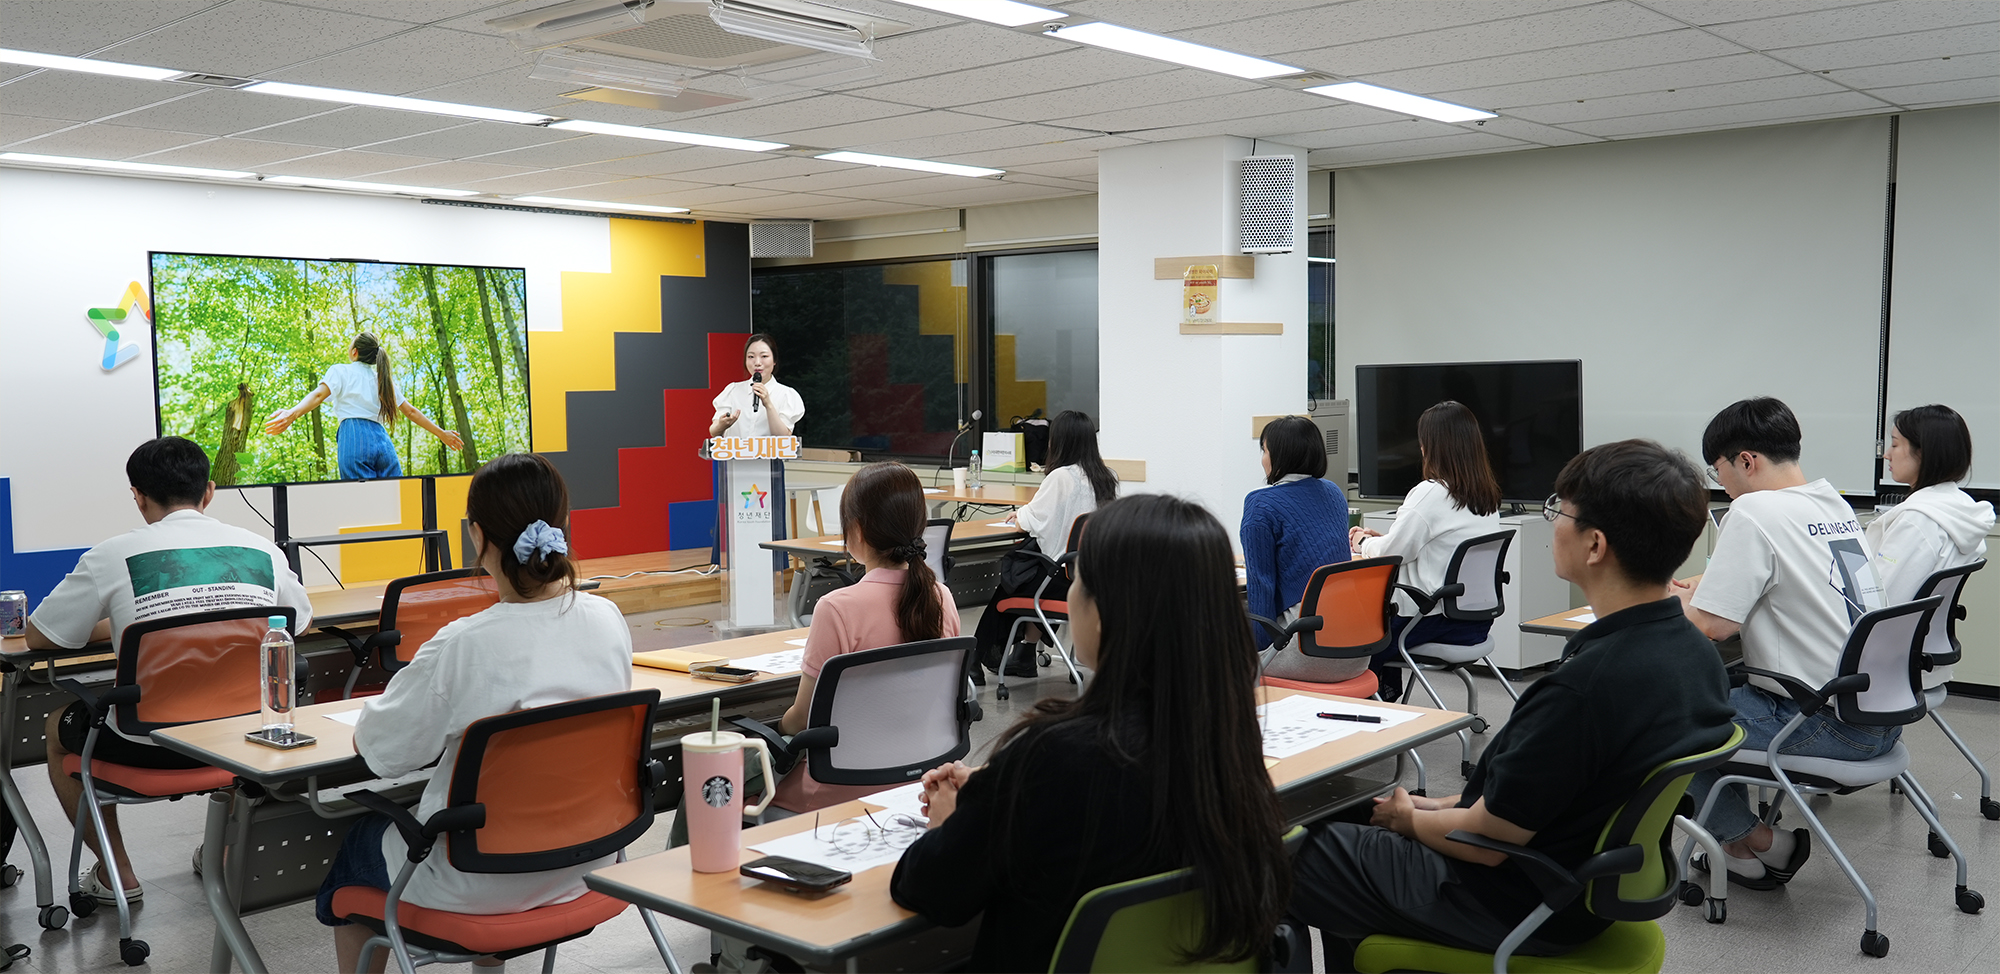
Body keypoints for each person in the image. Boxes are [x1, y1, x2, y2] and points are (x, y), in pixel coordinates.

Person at [1289, 439, 1734, 969]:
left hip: (1503, 898)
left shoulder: (1583, 690)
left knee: (1268, 855)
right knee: (1349, 813)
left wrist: (1409, 820)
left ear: (1595, 545)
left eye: (1559, 511)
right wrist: (1430, 808)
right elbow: (1540, 798)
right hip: (1573, 887)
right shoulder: (1694, 654)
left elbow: (1484, 842)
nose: (1553, 523)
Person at [893, 494, 1290, 973]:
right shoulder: (1224, 739)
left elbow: (931, 891)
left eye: (1077, 579)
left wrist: (949, 821)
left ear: (1103, 612)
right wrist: (995, 790)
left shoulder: (1053, 756)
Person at [316, 453, 630, 974]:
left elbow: (384, 752)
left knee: (358, 846)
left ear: (477, 535)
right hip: (587, 859)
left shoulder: (463, 644)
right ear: (563, 526)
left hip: (474, 881)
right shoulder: (607, 618)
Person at [26, 436, 313, 905]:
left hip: (149, 745)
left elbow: (43, 637)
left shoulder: (111, 555)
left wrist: (124, 621)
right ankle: (222, 854)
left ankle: (117, 874)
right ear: (209, 492)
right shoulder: (261, 549)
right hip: (245, 741)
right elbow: (297, 622)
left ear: (138, 496)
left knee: (57, 725)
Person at [666, 462, 960, 847]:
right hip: (916, 777)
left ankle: (688, 879)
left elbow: (802, 720)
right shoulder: (942, 598)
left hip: (835, 787)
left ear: (856, 531)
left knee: (708, 779)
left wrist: (773, 727)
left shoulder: (838, 607)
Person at [1677, 397, 1889, 889]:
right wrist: (1706, 586)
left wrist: (1648, 599)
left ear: (1746, 460)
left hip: (1817, 721)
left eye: (1718, 470)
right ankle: (1741, 852)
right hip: (1875, 715)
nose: (1720, 484)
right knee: (1708, 703)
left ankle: (1759, 841)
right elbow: (1792, 576)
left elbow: (1712, 626)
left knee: (1660, 721)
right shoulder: (1832, 503)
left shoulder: (1752, 510)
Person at [1349, 401, 1501, 701]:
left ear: (1431, 446)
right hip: (1474, 621)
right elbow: (1437, 545)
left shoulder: (1431, 492)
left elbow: (1392, 554)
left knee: (1354, 636)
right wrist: (1391, 539)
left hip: (1429, 622)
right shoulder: (1487, 496)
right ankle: (1387, 700)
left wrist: (1363, 542)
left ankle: (1371, 707)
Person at [971, 409, 1118, 675]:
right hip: (1089, 579)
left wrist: (1019, 515)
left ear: (1059, 441)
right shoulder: (1106, 478)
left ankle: (973, 662)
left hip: (1059, 579)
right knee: (1029, 576)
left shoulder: (1061, 477)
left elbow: (1029, 521)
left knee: (1011, 582)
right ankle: (1025, 655)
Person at [1868, 405, 1992, 684]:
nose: (1886, 454)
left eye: (1895, 444)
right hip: (1918, 657)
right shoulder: (1959, 508)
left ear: (1923, 453)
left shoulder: (1917, 522)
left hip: (1885, 667)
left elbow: (1879, 603)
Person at [1241, 415, 1360, 682]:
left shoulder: (1261, 504)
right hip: (1358, 649)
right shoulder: (1333, 493)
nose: (1263, 459)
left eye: (1264, 451)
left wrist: (1256, 655)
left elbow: (1261, 587)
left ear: (1278, 456)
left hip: (1307, 651)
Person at [263, 332, 464, 480]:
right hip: (383, 442)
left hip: (353, 437)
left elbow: (317, 395)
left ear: (354, 352)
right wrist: (441, 434)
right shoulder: (384, 380)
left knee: (361, 504)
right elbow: (411, 412)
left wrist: (292, 414)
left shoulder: (341, 371)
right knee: (395, 502)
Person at [708, 333, 804, 439]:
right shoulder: (733, 390)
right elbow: (713, 431)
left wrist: (768, 405)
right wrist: (722, 425)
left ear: (774, 360)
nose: (757, 362)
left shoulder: (786, 394)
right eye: (751, 357)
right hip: (737, 450)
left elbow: (783, 437)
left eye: (764, 356)